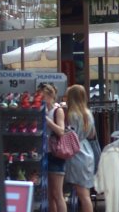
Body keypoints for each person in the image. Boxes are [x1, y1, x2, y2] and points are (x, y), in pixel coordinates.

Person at [62, 85, 95, 212]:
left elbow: (66, 133)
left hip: (74, 152)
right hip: (86, 150)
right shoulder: (88, 114)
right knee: (85, 194)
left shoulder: (71, 114)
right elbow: (92, 135)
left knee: (81, 194)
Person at [38, 83, 68, 212]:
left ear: (50, 96)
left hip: (55, 154)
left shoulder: (57, 110)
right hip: (45, 153)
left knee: (57, 193)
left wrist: (46, 120)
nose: (40, 99)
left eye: (42, 96)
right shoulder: (41, 109)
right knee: (50, 194)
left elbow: (61, 131)